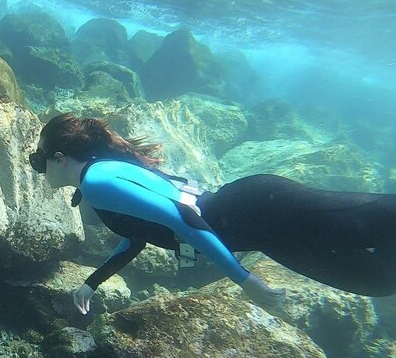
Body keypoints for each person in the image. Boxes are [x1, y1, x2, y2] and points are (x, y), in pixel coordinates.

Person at [29, 113, 396, 314]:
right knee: (377, 281)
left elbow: (182, 218)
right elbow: (138, 235)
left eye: (37, 160)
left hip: (262, 210)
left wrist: (242, 279)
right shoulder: (100, 177)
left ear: (59, 159)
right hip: (259, 228)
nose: (36, 167)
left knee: (384, 221)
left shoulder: (97, 181)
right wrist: (91, 282)